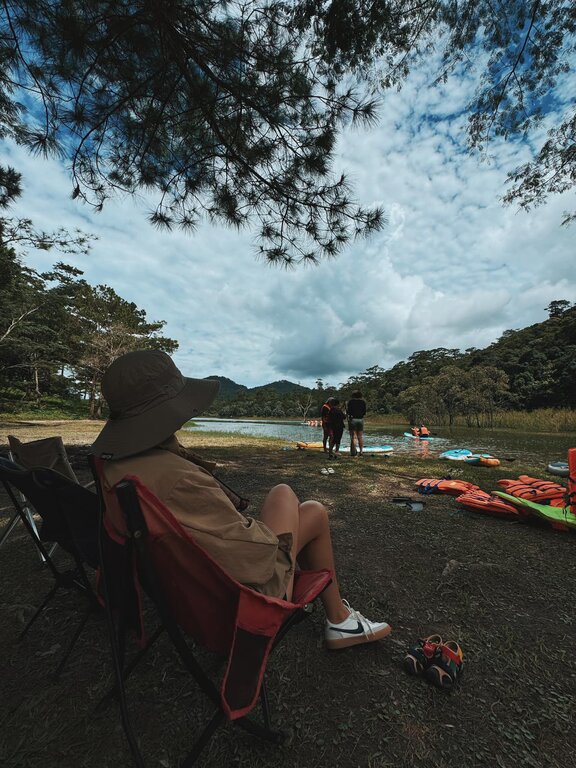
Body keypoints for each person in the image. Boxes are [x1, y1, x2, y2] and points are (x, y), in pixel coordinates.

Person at [92, 350, 391, 650]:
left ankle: (339, 618)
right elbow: (254, 560)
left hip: (190, 591)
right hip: (244, 602)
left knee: (309, 508)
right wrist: (256, 528)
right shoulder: (177, 479)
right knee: (289, 495)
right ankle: (339, 620)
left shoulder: (116, 467)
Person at [346, 390, 367, 456]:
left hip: (353, 419)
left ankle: (354, 452)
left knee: (354, 437)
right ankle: (361, 451)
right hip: (360, 419)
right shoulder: (363, 402)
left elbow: (348, 412)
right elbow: (364, 412)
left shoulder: (350, 402)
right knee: (360, 437)